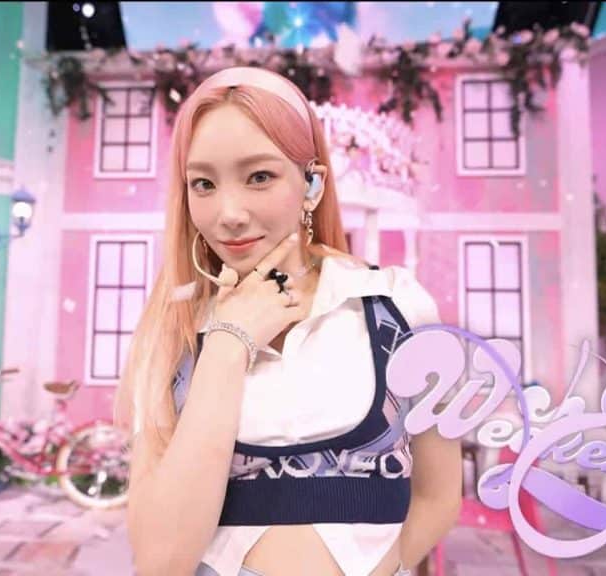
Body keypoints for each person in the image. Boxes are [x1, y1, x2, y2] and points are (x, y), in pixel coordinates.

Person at [115, 66, 462, 576]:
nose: (229, 213)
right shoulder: (174, 332)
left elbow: (438, 496)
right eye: (203, 183)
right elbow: (160, 561)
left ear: (313, 183)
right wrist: (229, 344)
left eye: (259, 176)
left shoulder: (395, 306)